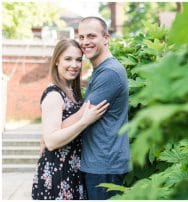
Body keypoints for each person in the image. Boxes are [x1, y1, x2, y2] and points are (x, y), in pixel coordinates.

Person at [32, 39, 109, 200]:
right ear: (56, 61)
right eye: (68, 59)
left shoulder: (72, 92)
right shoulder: (54, 94)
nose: (74, 65)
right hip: (56, 175)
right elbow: (51, 141)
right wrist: (84, 122)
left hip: (72, 171)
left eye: (78, 60)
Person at [77, 16, 131, 200]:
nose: (85, 42)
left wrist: (50, 133)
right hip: (100, 163)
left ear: (106, 38)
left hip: (104, 165)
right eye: (81, 37)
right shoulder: (101, 70)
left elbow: (82, 116)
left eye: (91, 36)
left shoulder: (109, 72)